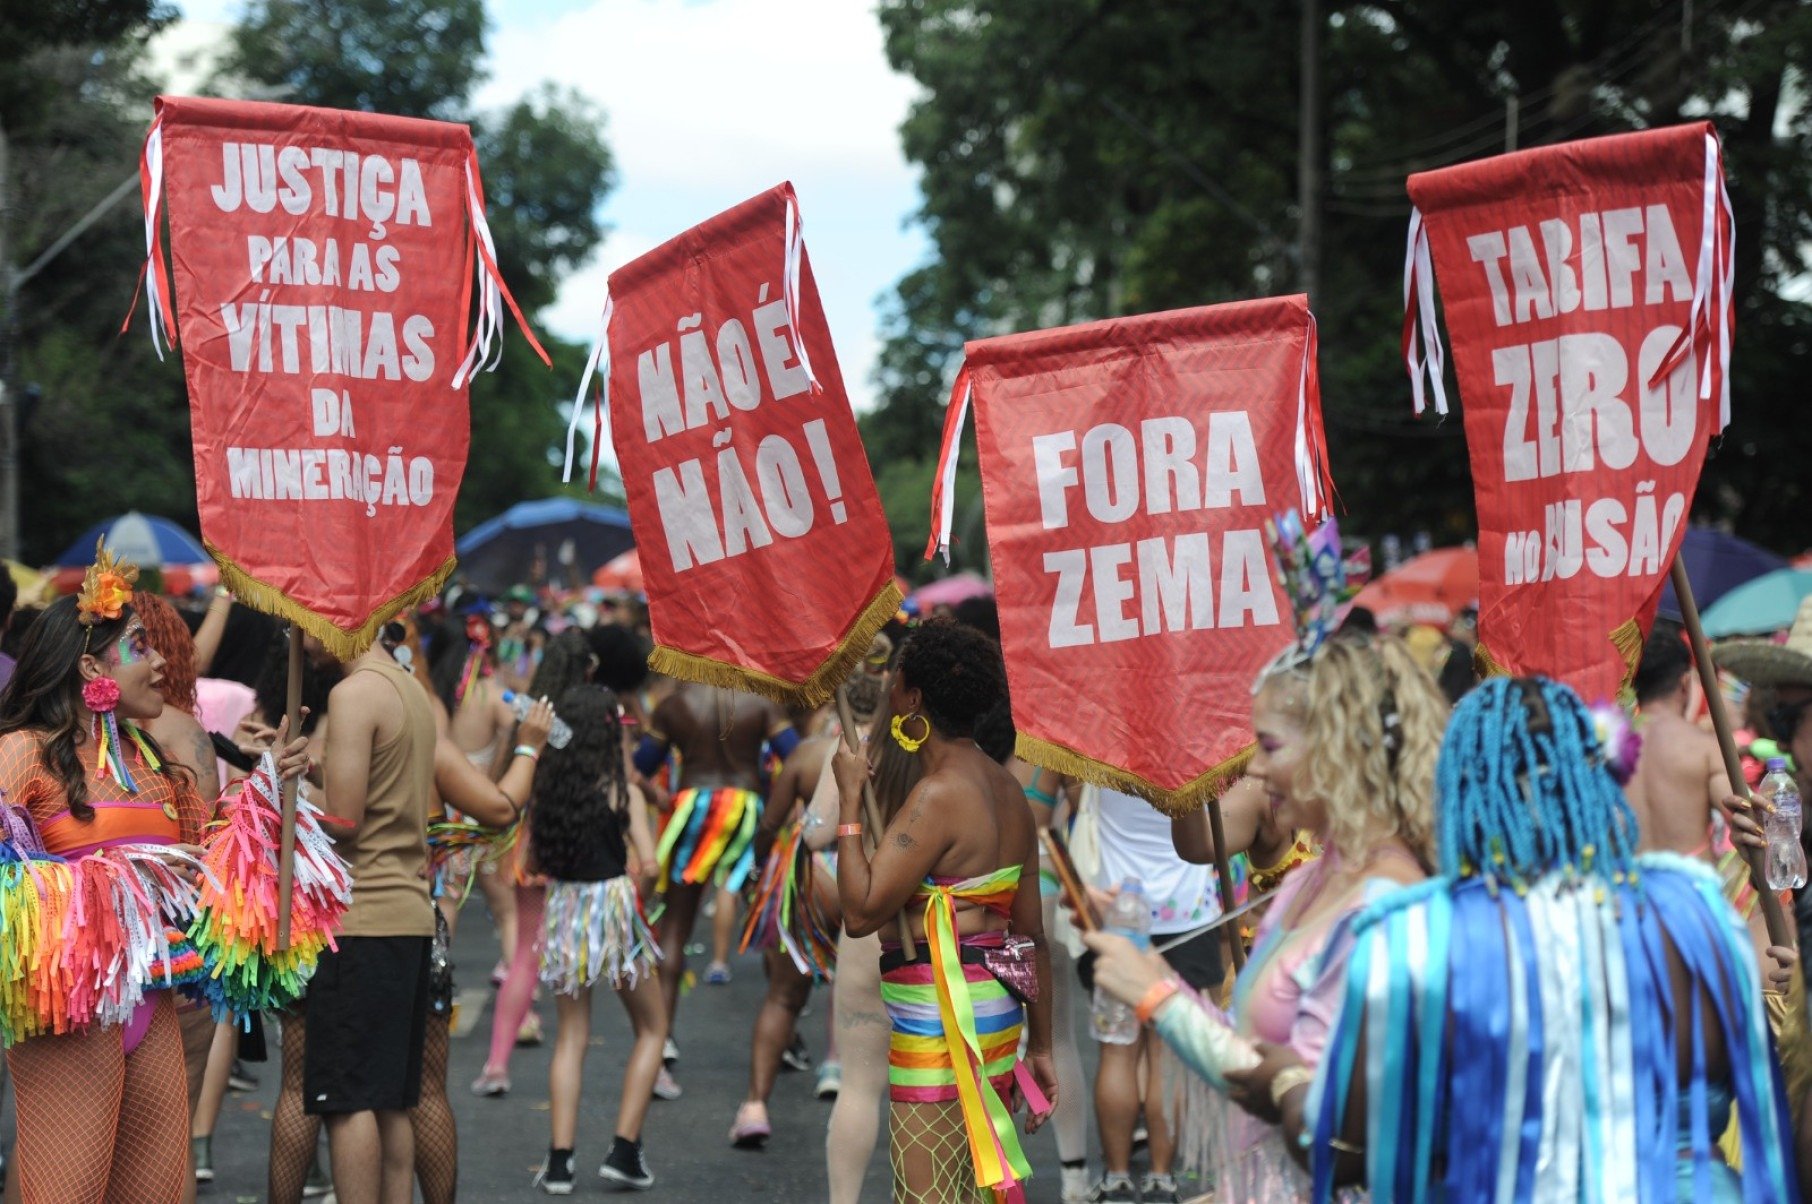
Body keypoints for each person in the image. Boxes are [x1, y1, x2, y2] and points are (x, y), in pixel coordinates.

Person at [1234, 677, 1800, 1201]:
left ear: (1457, 793)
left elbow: (1344, 1151)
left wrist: (1284, 1079)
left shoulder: (1423, 937)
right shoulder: (1693, 910)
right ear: (1598, 776)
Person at [1083, 632, 1447, 1201]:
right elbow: (1251, 1050)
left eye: (1271, 746)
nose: (1254, 766)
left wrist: (1158, 996)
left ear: (1336, 750)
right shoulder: (1313, 879)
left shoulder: (1385, 905)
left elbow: (1319, 1120)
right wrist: (1140, 959)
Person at [0, 571, 306, 1202]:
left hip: (155, 1006)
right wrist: (108, 883)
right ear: (90, 667)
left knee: (162, 1193)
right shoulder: (23, 752)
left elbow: (213, 859)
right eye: (141, 645)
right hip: (72, 1015)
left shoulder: (150, 761)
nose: (164, 659)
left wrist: (268, 789)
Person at [834, 620, 1058, 1203]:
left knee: (928, 1193)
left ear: (912, 697)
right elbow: (1030, 936)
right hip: (997, 1014)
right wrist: (1043, 1045)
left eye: (896, 681)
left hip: (943, 1020)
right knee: (970, 1188)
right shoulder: (1009, 791)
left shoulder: (937, 796)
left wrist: (851, 798)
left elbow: (859, 914)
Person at [308, 622, 511, 1204]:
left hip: (362, 917)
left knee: (347, 1103)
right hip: (407, 914)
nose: (295, 630)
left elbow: (344, 823)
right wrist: (313, 771)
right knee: (393, 1096)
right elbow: (380, 792)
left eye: (302, 616)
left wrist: (272, 796)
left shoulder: (352, 695)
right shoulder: (405, 686)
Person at [529, 685, 665, 1194]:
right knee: (652, 1028)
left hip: (564, 908)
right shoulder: (621, 790)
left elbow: (535, 863)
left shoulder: (549, 789)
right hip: (614, 905)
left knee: (570, 1035)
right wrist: (636, 901)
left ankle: (560, 1161)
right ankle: (624, 1150)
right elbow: (649, 865)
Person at [638, 681, 798, 1094]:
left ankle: (659, 1044)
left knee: (674, 928)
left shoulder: (673, 705)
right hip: (748, 814)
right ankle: (785, 1031)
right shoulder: (762, 702)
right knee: (768, 926)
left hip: (691, 811)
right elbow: (796, 760)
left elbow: (639, 766)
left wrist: (657, 797)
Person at [473, 628, 595, 1098]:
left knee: (525, 950)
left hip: (530, 841)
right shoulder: (591, 716)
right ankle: (577, 1064)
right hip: (578, 843)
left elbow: (506, 773)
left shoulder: (528, 712)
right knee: (577, 956)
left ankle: (496, 1063)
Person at [430, 606, 522, 1005]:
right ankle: (523, 1000)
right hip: (482, 810)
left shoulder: (433, 693)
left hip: (446, 814)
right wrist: (501, 767)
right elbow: (518, 722)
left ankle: (438, 985)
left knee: (446, 900)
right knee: (505, 907)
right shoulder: (490, 693)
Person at [1628, 619, 1732, 857]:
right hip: (1688, 889)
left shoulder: (1610, 749)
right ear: (1685, 682)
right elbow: (1742, 817)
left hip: (1627, 888)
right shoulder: (1703, 748)